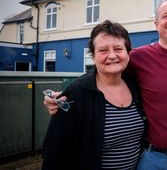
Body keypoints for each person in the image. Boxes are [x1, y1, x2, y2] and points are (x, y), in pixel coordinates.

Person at [44, 0, 167, 170]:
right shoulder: (138, 58)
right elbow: (102, 74)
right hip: (152, 157)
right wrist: (64, 96)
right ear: (156, 24)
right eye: (166, 16)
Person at [41, 20, 145, 170]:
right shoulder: (76, 92)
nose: (112, 55)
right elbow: (54, 151)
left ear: (128, 53)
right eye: (103, 50)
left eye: (118, 48)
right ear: (93, 56)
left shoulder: (135, 86)